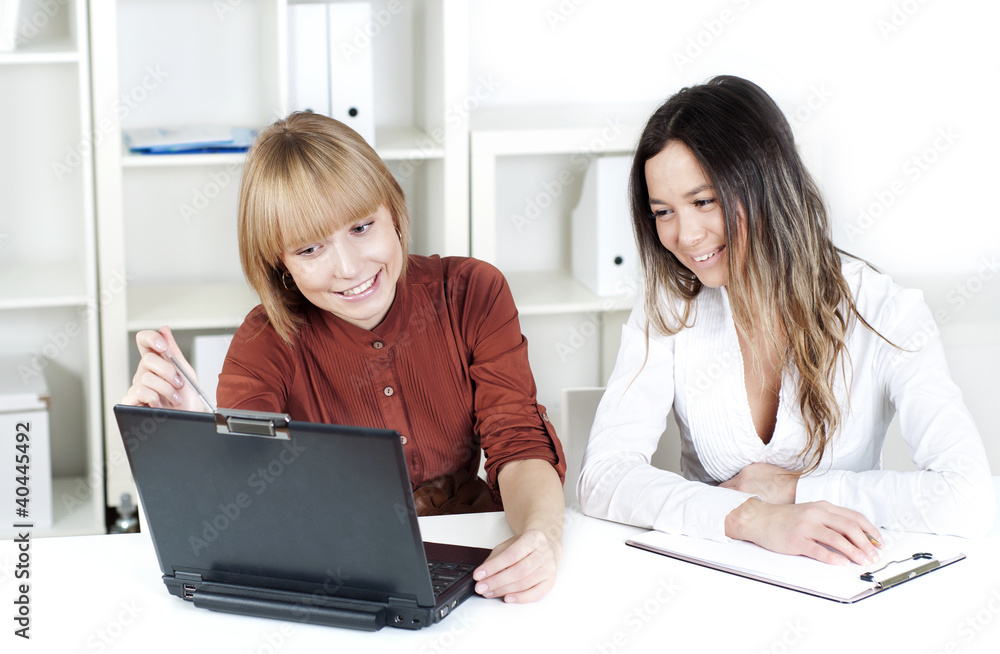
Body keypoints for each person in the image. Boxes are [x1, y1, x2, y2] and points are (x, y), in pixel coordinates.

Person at [122, 111, 566, 604]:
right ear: (280, 264)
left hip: (473, 557)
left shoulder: (471, 292)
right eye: (310, 248)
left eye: (361, 226)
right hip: (336, 574)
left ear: (392, 211)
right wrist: (189, 436)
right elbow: (249, 504)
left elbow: (518, 439)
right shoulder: (263, 342)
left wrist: (542, 536)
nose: (350, 268)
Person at [577, 75, 995, 566]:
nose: (686, 235)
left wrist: (794, 490)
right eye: (663, 211)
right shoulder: (670, 306)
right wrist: (752, 516)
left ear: (766, 182)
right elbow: (603, 478)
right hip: (710, 577)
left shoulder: (884, 311)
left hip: (841, 581)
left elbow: (967, 499)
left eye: (704, 201)